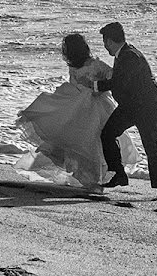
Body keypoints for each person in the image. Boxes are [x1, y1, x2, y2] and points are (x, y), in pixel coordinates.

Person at [15, 33, 139, 191]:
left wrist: (97, 86)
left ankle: (95, 180)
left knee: (89, 143)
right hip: (80, 107)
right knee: (87, 144)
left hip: (92, 108)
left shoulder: (95, 64)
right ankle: (92, 179)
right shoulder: (77, 66)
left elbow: (113, 77)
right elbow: (110, 77)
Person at [93, 22, 157, 201]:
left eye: (105, 42)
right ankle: (119, 174)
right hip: (131, 107)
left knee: (151, 148)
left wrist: (96, 86)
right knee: (107, 134)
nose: (105, 46)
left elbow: (119, 82)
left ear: (110, 41)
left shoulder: (130, 56)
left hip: (147, 109)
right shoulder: (123, 54)